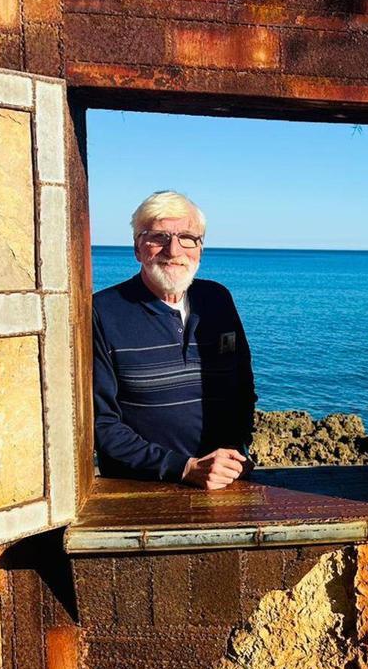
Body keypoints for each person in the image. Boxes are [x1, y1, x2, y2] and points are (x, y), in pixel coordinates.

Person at [92, 191, 256, 489]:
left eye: (187, 237)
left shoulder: (217, 300)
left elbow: (242, 387)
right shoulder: (102, 312)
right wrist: (184, 468)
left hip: (225, 483)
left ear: (200, 249)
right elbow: (100, 423)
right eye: (158, 237)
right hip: (139, 490)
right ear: (137, 249)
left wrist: (237, 450)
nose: (174, 250)